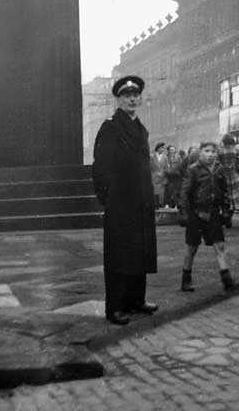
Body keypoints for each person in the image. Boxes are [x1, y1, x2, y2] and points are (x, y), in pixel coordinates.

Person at [92, 75, 158, 325]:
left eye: (135, 95)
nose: (132, 99)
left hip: (141, 202)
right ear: (118, 100)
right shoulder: (110, 127)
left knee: (139, 252)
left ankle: (136, 300)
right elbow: (101, 168)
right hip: (120, 203)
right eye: (126, 96)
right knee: (120, 255)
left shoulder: (140, 128)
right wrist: (108, 199)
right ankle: (115, 307)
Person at [178, 141, 239, 293]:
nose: (210, 154)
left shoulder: (220, 169)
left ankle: (227, 281)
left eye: (213, 151)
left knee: (219, 246)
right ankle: (185, 280)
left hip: (213, 214)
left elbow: (225, 191)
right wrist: (185, 214)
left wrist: (226, 210)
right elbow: (184, 193)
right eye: (207, 151)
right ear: (200, 153)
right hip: (196, 214)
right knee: (191, 248)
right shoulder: (193, 170)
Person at [218, 134, 239, 227]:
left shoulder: (220, 151)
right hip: (234, 175)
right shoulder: (237, 151)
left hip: (223, 176)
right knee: (234, 197)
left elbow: (217, 163)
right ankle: (230, 216)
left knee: (225, 196)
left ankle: (225, 214)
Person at [150, 142, 168, 208]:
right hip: (153, 178)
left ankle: (161, 207)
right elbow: (149, 168)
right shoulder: (151, 157)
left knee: (161, 195)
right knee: (154, 194)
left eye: (164, 148)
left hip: (162, 179)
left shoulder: (165, 157)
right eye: (162, 148)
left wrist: (165, 179)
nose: (163, 149)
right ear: (158, 148)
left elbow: (166, 169)